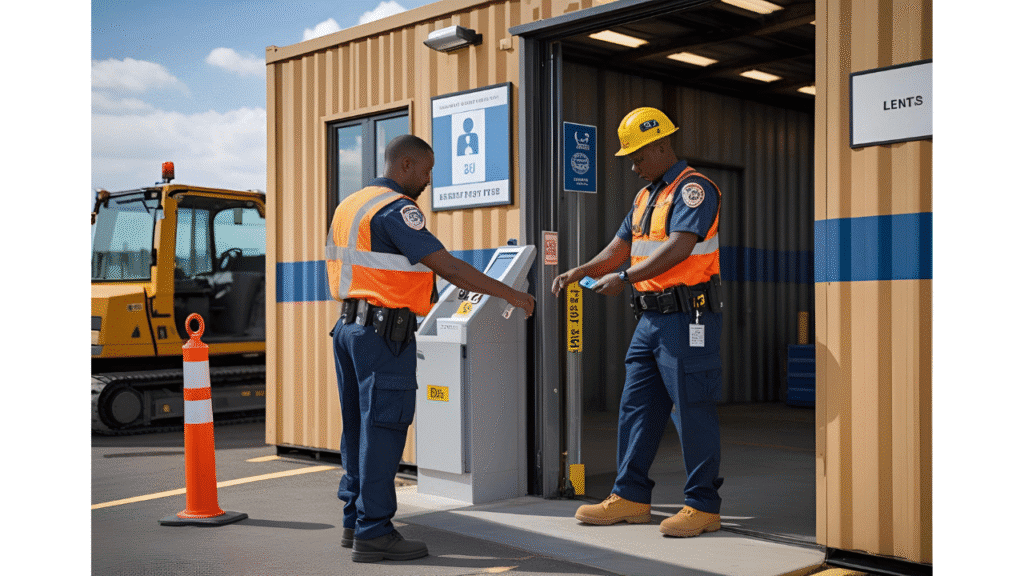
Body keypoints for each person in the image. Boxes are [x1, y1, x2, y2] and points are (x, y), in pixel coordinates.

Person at [326, 134, 535, 562]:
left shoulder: (351, 205)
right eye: (426, 170)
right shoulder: (396, 209)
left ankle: (355, 520)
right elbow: (447, 266)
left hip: (349, 330)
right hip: (384, 336)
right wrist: (511, 294)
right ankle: (375, 533)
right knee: (383, 431)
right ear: (405, 165)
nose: (427, 180)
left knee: (358, 430)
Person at [551, 107, 725, 538]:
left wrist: (625, 278)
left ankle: (703, 506)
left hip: (688, 317)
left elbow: (680, 248)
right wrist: (583, 270)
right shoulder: (646, 196)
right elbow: (619, 247)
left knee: (692, 411)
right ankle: (630, 497)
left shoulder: (694, 190)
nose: (632, 165)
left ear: (662, 146)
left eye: (637, 155)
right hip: (650, 320)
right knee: (636, 410)